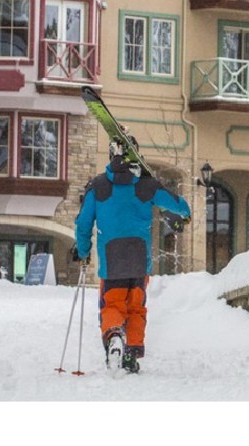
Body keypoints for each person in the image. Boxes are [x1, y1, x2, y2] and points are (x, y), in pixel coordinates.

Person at [74, 138, 190, 374]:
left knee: (113, 304)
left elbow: (83, 224)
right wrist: (184, 215)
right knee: (136, 307)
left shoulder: (97, 187)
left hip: (111, 260)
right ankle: (131, 354)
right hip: (139, 260)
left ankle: (115, 334)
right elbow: (179, 205)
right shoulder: (146, 186)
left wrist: (83, 251)